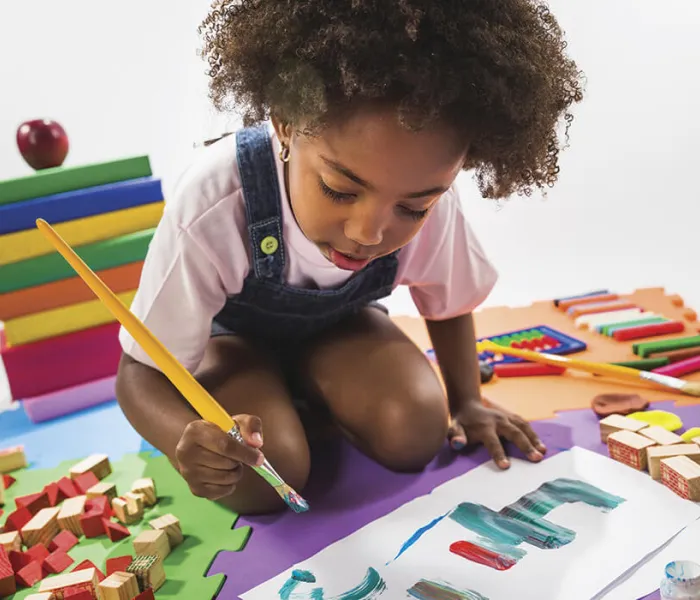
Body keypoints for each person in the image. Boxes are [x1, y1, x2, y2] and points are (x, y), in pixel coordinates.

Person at [115, 0, 584, 515]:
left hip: (341, 331)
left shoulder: (433, 199)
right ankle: (284, 402)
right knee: (262, 477)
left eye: (412, 207)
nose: (370, 231)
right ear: (287, 123)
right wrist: (186, 438)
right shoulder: (216, 202)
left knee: (417, 432)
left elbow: (448, 303)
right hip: (233, 347)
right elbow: (139, 374)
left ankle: (307, 398)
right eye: (340, 189)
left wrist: (468, 401)